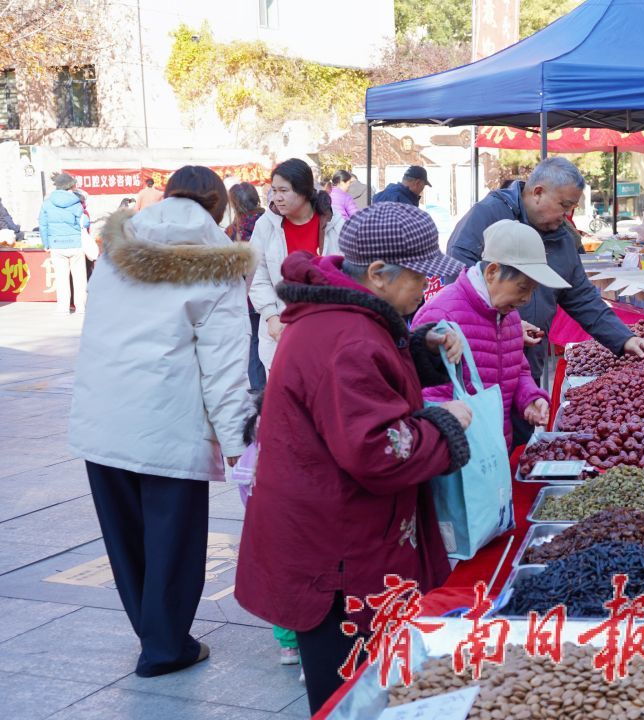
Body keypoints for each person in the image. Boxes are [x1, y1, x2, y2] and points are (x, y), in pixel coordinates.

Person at [235, 202, 472, 714]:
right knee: (350, 690)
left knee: (367, 679)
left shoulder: (353, 318)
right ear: (379, 274)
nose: (425, 290)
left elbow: (370, 387)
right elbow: (378, 451)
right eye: (420, 277)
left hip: (337, 533)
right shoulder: (347, 336)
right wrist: (444, 423)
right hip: (336, 553)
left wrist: (418, 349)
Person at [68, 165, 254, 678]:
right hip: (168, 422)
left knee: (125, 539)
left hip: (103, 415)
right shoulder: (218, 263)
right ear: (218, 208)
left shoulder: (117, 249)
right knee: (173, 540)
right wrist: (237, 439)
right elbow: (222, 364)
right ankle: (166, 646)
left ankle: (156, 637)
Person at [446, 157, 644, 391]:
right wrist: (505, 325)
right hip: (479, 366)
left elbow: (582, 296)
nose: (567, 215)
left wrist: (623, 338)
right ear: (538, 192)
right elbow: (458, 282)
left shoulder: (562, 236)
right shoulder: (487, 215)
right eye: (564, 205)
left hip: (527, 366)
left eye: (571, 208)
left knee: (524, 419)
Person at [412, 220, 564, 449]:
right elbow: (427, 394)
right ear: (492, 271)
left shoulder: (509, 316)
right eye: (522, 288)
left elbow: (518, 369)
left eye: (533, 291)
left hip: (495, 451)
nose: (526, 299)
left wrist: (530, 399)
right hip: (456, 454)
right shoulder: (442, 314)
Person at [249, 159, 344, 371]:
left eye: (284, 190)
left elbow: (346, 275)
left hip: (326, 328)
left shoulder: (333, 224)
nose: (277, 197)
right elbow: (257, 275)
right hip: (279, 329)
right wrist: (271, 317)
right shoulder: (266, 225)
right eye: (274, 190)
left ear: (304, 191)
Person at [227, 183, 268, 392]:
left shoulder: (233, 231)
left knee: (253, 342)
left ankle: (258, 385)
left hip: (247, 295)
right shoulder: (269, 221)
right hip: (271, 290)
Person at [38, 173, 90, 314]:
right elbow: (85, 222)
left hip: (56, 245)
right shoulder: (75, 202)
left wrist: (46, 244)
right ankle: (80, 308)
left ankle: (63, 309)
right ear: (69, 186)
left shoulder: (47, 203)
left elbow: (43, 225)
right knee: (79, 279)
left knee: (61, 279)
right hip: (75, 244)